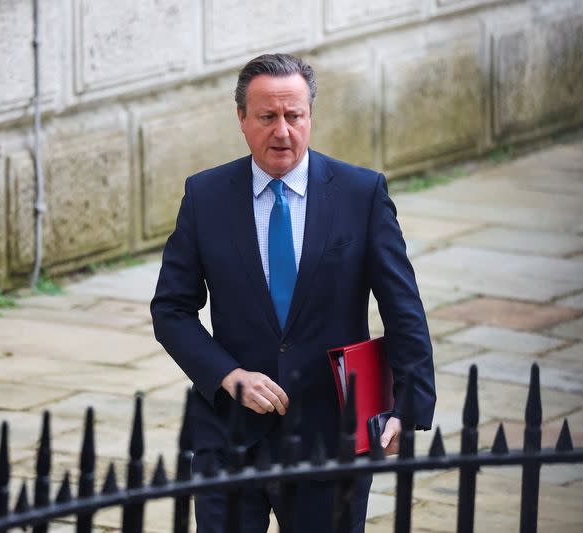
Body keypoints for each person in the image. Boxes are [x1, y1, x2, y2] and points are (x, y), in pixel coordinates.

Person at [150, 53, 435, 532]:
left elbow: (403, 308)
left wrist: (408, 408)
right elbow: (171, 309)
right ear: (241, 119)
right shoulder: (206, 197)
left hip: (329, 432)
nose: (282, 131)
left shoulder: (360, 194)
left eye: (294, 116)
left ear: (310, 117)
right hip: (231, 430)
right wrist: (228, 375)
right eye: (267, 117)